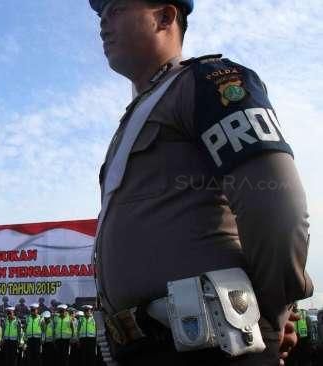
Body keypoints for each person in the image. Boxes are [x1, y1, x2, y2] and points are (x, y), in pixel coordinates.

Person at [88, 0, 312, 364]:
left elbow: (277, 206)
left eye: (116, 9)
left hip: (211, 347)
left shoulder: (208, 82)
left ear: (165, 16)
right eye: (100, 15)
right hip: (144, 347)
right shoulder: (134, 120)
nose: (102, 24)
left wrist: (266, 313)